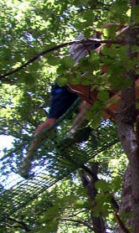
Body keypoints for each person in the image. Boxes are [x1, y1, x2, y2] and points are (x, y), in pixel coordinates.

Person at [19, 33, 100, 178]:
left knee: (88, 105)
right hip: (67, 80)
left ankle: (71, 134)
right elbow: (104, 32)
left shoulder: (102, 45)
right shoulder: (89, 34)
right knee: (52, 121)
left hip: (84, 83)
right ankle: (28, 158)